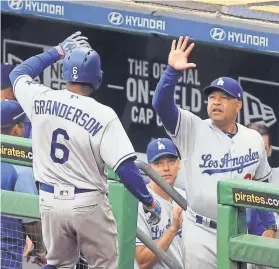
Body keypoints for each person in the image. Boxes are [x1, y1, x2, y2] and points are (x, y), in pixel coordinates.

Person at [9, 31, 161, 269]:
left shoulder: (40, 97)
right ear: (97, 79)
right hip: (87, 203)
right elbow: (126, 169)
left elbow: (17, 73)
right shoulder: (103, 114)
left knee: (58, 264)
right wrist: (149, 201)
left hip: (49, 201)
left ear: (65, 72)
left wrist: (57, 51)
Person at [152, 36, 276, 269]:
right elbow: (161, 104)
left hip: (238, 230)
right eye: (211, 97)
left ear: (239, 105)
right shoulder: (193, 128)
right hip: (201, 230)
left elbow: (261, 188)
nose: (216, 102)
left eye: (224, 98)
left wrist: (270, 226)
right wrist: (171, 72)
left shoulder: (253, 139)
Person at [1, 100, 46, 269]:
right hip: (6, 261)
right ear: (16, 129)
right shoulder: (20, 169)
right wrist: (41, 249)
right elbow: (32, 224)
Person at [135, 138, 185, 269]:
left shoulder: (186, 199)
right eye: (158, 163)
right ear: (148, 167)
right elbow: (142, 262)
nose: (166, 168)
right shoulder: (139, 202)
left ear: (178, 164)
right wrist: (173, 229)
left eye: (171, 161)